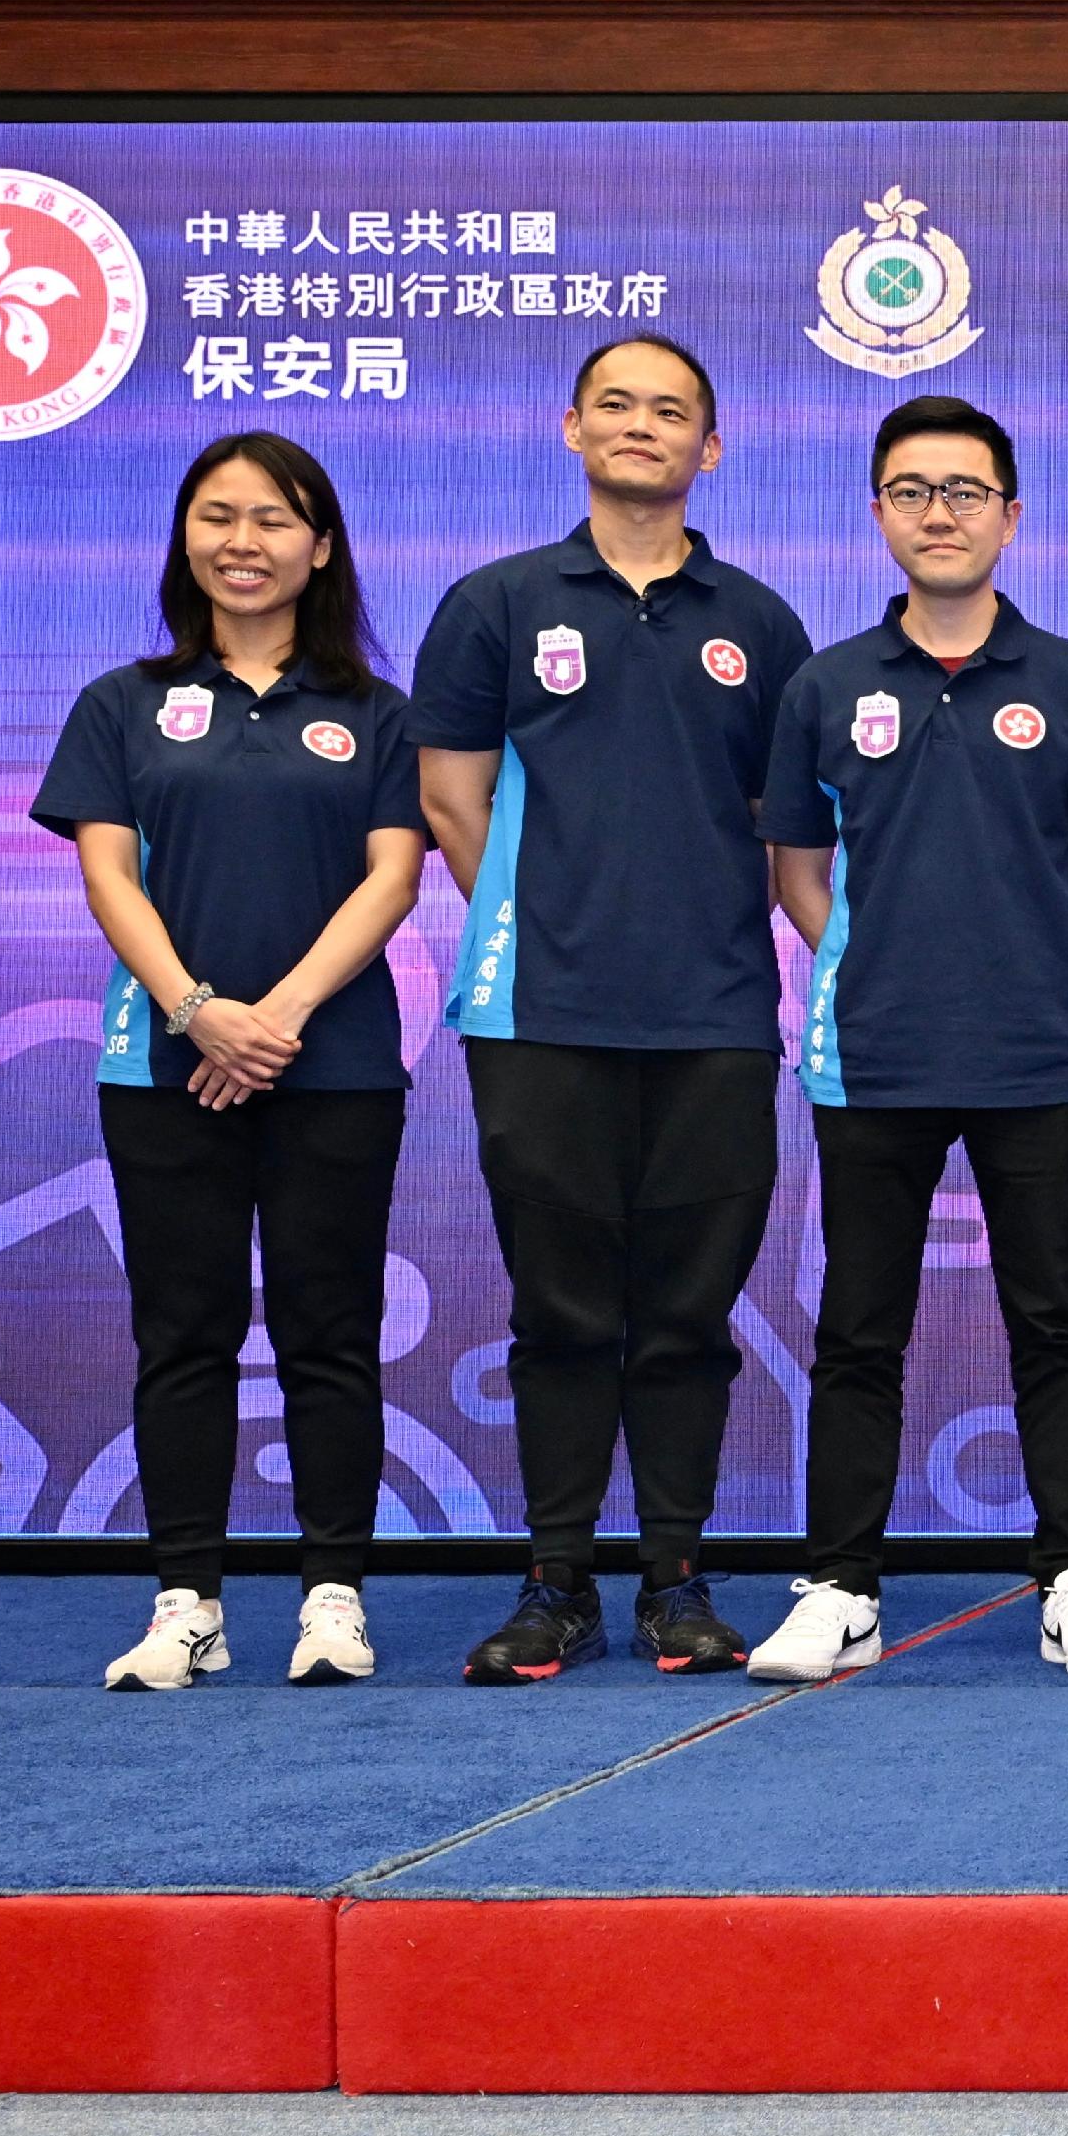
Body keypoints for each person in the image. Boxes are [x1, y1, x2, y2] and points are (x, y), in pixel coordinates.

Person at [416, 334, 815, 1683]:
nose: (643, 427)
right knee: (563, 1303)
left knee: (692, 1307)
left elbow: (786, 820)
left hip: (713, 1010)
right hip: (540, 1010)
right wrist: (543, 917)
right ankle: (554, 1576)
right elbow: (453, 797)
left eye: (674, 412)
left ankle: (677, 1574)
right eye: (618, 405)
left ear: (711, 448)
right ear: (571, 425)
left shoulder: (757, 622)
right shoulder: (497, 602)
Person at [743, 397, 1068, 1684]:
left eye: (966, 490)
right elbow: (796, 866)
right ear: (878, 513)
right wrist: (872, 968)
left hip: (1038, 1055)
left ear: (1011, 516)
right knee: (860, 1327)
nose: (940, 512)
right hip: (874, 1056)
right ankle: (842, 1587)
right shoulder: (826, 686)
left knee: (1054, 1320)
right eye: (913, 490)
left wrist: (1025, 970)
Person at [37, 434, 431, 1690]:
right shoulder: (124, 703)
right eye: (218, 516)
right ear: (184, 540)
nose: (243, 541)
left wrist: (278, 1021)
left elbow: (396, 873)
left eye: (273, 519)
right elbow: (108, 870)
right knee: (184, 1332)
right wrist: (200, 1010)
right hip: (161, 1063)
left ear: (321, 546)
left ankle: (332, 1598)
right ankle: (187, 1599)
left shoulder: (376, 713)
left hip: (338, 1063)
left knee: (330, 1332)